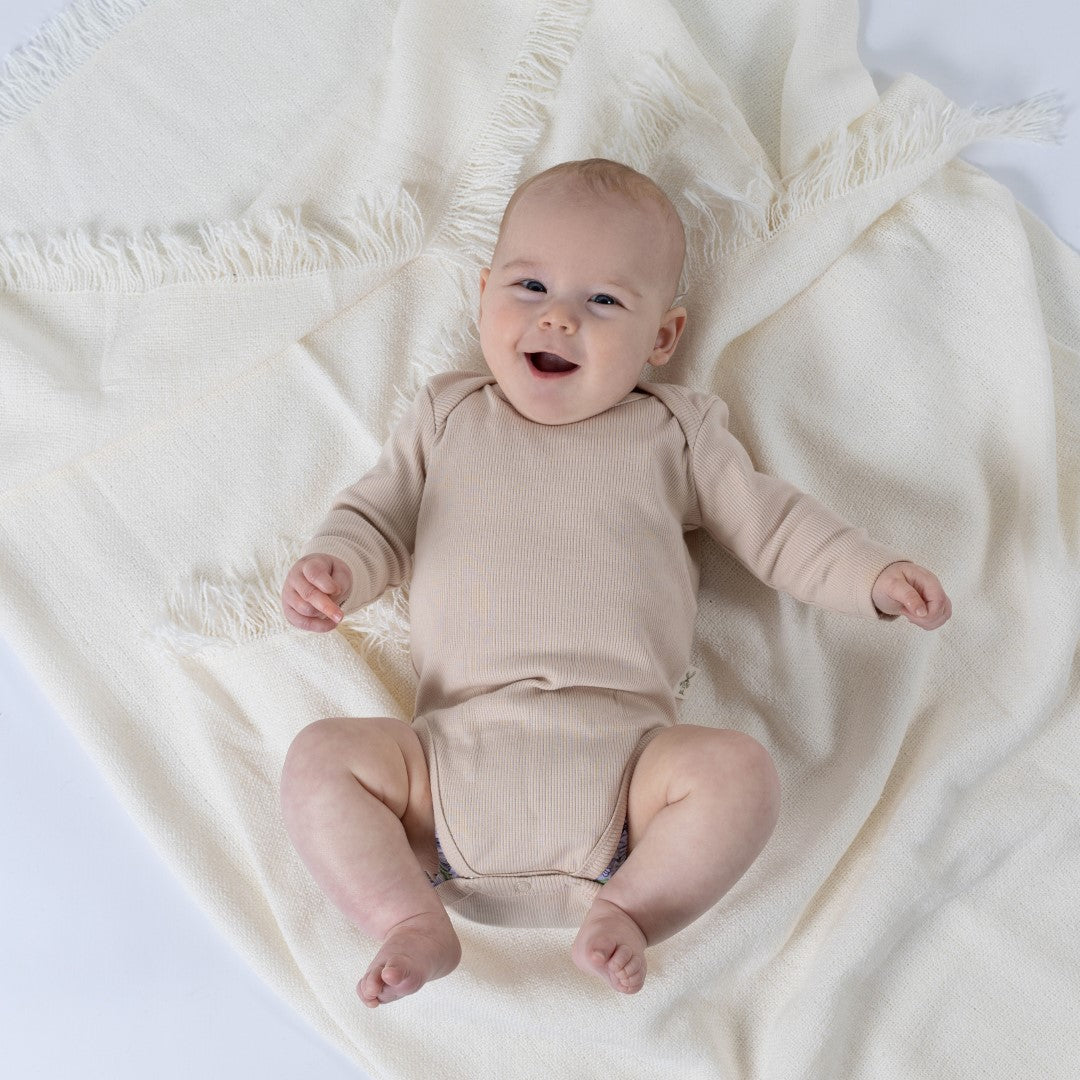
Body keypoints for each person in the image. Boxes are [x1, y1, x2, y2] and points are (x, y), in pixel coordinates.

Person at [278, 158, 952, 1008]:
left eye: (603, 302)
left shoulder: (674, 433)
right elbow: (376, 516)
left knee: (740, 773)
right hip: (444, 767)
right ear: (484, 295)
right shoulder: (447, 417)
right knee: (320, 759)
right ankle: (407, 918)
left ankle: (630, 909)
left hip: (629, 775)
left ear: (661, 340)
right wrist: (335, 566)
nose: (558, 315)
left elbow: (775, 525)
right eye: (529, 285)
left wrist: (872, 575)